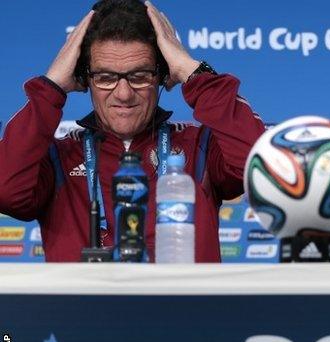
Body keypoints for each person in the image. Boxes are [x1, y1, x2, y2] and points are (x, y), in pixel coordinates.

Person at [0, 0, 265, 262]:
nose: (124, 94)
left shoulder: (200, 147)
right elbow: (7, 192)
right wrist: (52, 86)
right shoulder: (57, 157)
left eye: (140, 76)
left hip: (185, 305)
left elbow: (265, 172)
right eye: (105, 78)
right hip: (82, 306)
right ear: (84, 79)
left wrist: (192, 72)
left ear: (162, 76)